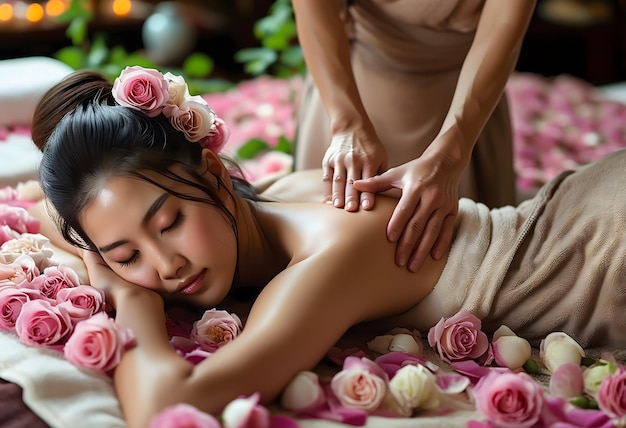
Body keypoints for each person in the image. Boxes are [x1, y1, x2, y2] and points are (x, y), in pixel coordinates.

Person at [35, 68, 624, 427]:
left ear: (213, 175)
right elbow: (47, 213)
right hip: (579, 208)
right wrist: (106, 254)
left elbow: (164, 407)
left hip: (604, 246)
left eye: (168, 223)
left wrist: (123, 293)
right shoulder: (268, 199)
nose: (165, 267)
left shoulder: (325, 259)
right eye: (127, 254)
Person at [291, 0, 537, 273]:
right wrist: (346, 124)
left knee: (464, 265)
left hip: (469, 97)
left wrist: (449, 156)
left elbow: (504, 23)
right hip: (352, 85)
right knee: (332, 252)